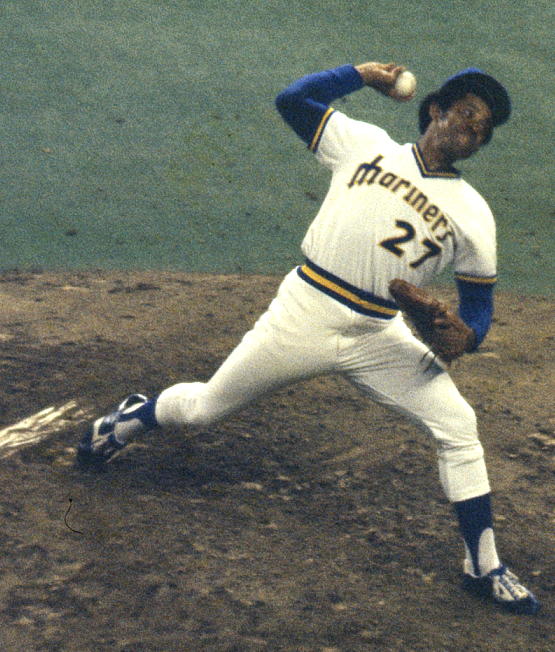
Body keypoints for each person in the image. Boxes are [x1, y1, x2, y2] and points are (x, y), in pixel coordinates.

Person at [77, 61, 540, 614]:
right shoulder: (365, 144)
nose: (471, 130)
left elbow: (479, 309)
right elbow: (292, 101)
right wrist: (360, 74)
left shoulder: (474, 215)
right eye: (465, 113)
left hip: (379, 334)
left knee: (459, 426)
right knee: (203, 410)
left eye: (483, 128)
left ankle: (483, 566)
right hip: (306, 311)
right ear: (436, 110)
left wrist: (468, 336)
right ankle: (128, 419)